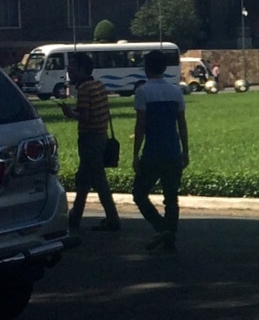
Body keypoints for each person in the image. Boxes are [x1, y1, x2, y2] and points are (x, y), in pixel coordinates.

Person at [132, 50, 189, 252]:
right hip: (173, 150)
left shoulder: (143, 92)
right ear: (165, 68)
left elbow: (141, 126)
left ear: (147, 68)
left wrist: (135, 154)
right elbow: (182, 124)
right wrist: (185, 150)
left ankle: (161, 227)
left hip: (152, 152)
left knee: (139, 193)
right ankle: (170, 236)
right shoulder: (175, 91)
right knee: (171, 198)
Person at [60, 52, 120, 233]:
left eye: (72, 66)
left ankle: (112, 218)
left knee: (98, 179)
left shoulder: (85, 89)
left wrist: (70, 113)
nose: (69, 70)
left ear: (81, 69)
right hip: (101, 135)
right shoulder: (99, 85)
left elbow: (84, 117)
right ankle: (75, 216)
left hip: (89, 139)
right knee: (83, 179)